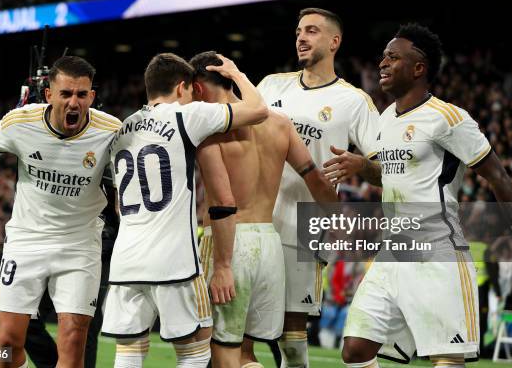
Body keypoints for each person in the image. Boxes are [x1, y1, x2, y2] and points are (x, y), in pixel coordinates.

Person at [322, 23, 512, 368]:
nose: (382, 63)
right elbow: (390, 175)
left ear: (418, 69)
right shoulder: (385, 119)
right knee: (355, 350)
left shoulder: (449, 118)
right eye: (383, 56)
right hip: (394, 252)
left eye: (393, 57)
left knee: (446, 359)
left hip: (439, 253)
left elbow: (499, 178)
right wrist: (361, 166)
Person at [0, 55, 121, 368]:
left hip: (80, 243)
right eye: (66, 94)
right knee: (6, 347)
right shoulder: (21, 121)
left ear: (92, 96)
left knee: (72, 342)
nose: (74, 103)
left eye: (82, 95)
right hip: (27, 240)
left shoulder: (111, 131)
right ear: (49, 94)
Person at [101, 52, 268, 368]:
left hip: (126, 261)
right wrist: (235, 73)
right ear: (181, 87)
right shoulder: (186, 116)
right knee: (195, 353)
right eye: (191, 90)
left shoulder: (124, 129)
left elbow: (119, 204)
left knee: (129, 354)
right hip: (173, 262)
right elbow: (258, 110)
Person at [189, 51, 338, 368]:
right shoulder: (280, 124)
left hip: (227, 242)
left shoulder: (208, 127)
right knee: (245, 353)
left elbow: (222, 202)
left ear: (198, 87)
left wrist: (223, 264)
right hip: (268, 243)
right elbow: (316, 178)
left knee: (218, 351)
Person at [255, 7, 379, 367]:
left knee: (291, 330)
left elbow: (387, 169)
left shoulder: (353, 102)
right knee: (243, 326)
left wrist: (361, 164)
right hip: (257, 219)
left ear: (334, 41)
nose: (301, 38)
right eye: (298, 32)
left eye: (311, 31)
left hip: (306, 223)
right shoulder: (271, 86)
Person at [24, 176, 118, 368]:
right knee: (24, 317)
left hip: (98, 246)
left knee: (84, 326)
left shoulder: (104, 155)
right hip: (57, 243)